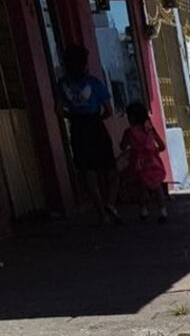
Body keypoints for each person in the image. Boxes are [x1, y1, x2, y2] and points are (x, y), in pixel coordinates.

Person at [58, 44, 121, 224]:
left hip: (77, 128)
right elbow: (108, 110)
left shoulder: (63, 85)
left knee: (88, 172)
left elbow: (59, 111)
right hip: (95, 125)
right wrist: (97, 117)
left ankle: (101, 213)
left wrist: (73, 116)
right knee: (111, 170)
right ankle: (110, 203)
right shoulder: (94, 83)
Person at [119, 101, 168, 223]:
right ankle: (163, 211)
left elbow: (123, 146)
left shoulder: (129, 132)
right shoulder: (150, 130)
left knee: (141, 188)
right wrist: (154, 151)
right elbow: (162, 146)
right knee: (157, 188)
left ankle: (144, 210)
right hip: (153, 163)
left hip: (138, 164)